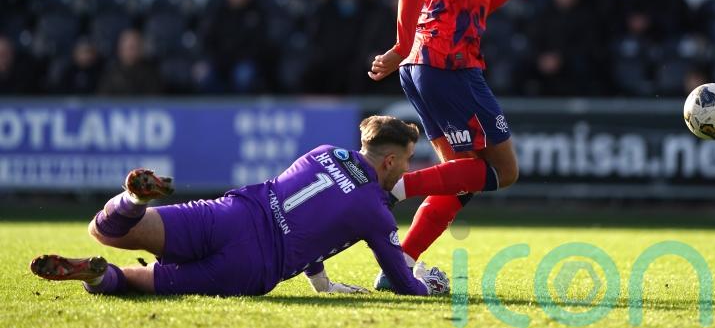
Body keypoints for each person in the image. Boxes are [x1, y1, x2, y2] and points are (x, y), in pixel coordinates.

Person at [368, 0, 557, 285]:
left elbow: (479, 1)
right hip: (447, 64)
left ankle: (400, 267)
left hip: (427, 64)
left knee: (461, 179)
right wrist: (399, 43)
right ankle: (391, 188)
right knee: (504, 171)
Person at [30, 116, 450, 297]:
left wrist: (320, 280)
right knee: (138, 280)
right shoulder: (375, 211)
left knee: (106, 230)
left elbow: (310, 211)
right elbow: (401, 280)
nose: (409, 168)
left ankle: (135, 197)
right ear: (391, 160)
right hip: (253, 264)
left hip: (234, 213)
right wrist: (428, 284)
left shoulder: (325, 153)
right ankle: (99, 277)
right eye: (410, 159)